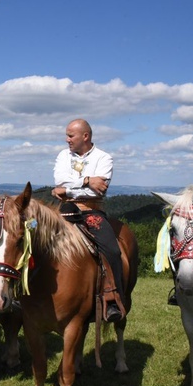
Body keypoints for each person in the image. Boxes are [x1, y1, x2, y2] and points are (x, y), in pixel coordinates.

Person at [51, 118, 124, 322]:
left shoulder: (104, 158)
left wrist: (68, 189)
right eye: (67, 135)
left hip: (91, 210)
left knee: (112, 250)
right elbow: (59, 181)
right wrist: (87, 180)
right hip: (64, 210)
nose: (67, 140)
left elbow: (100, 187)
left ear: (85, 136)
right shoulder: (62, 156)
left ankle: (113, 298)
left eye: (70, 135)